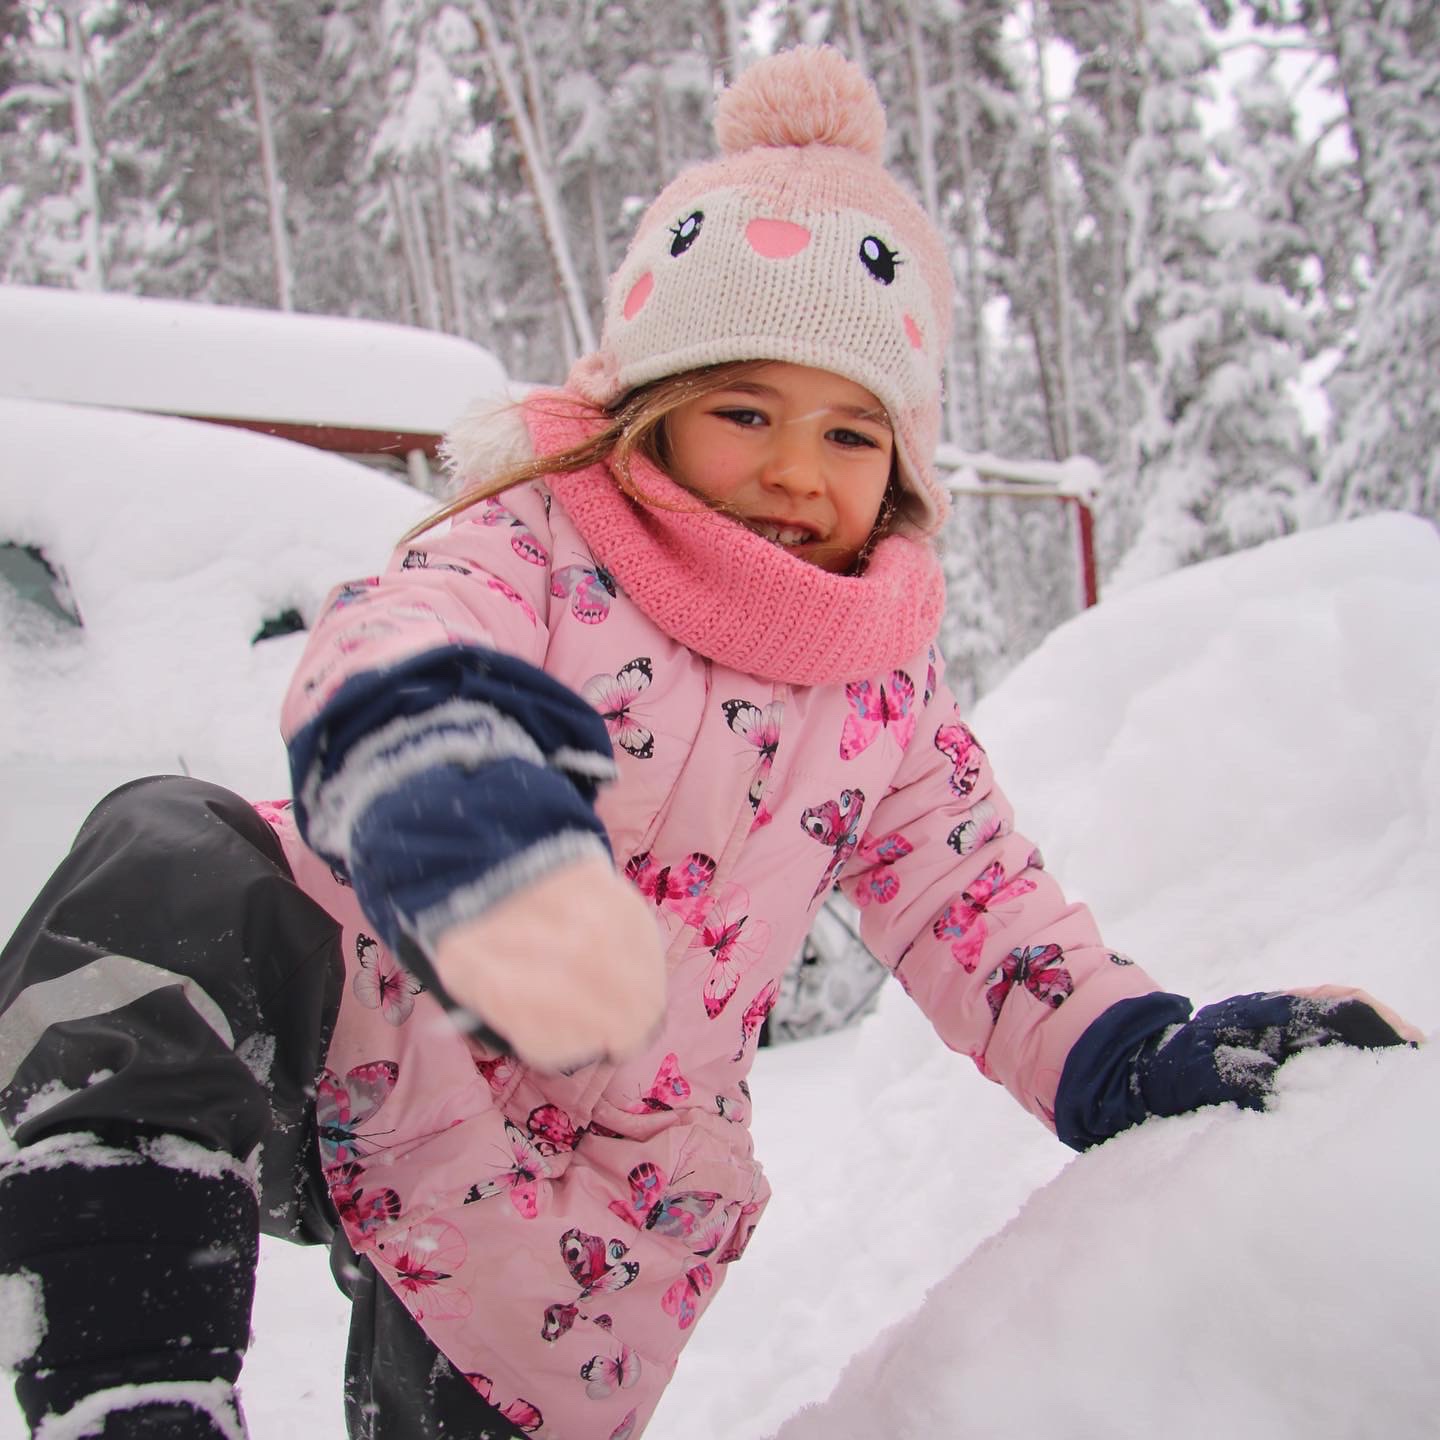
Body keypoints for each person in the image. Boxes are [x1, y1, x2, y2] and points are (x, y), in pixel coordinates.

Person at [0, 45, 1419, 1440]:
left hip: (589, 1220)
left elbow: (982, 911)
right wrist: (447, 781)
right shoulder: (543, 545)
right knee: (169, 859)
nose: (798, 468)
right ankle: (134, 1389)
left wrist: (1135, 1056)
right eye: (746, 411)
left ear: (902, 466)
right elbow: (405, 630)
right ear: (654, 415)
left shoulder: (882, 690)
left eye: (852, 434)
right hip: (405, 1014)